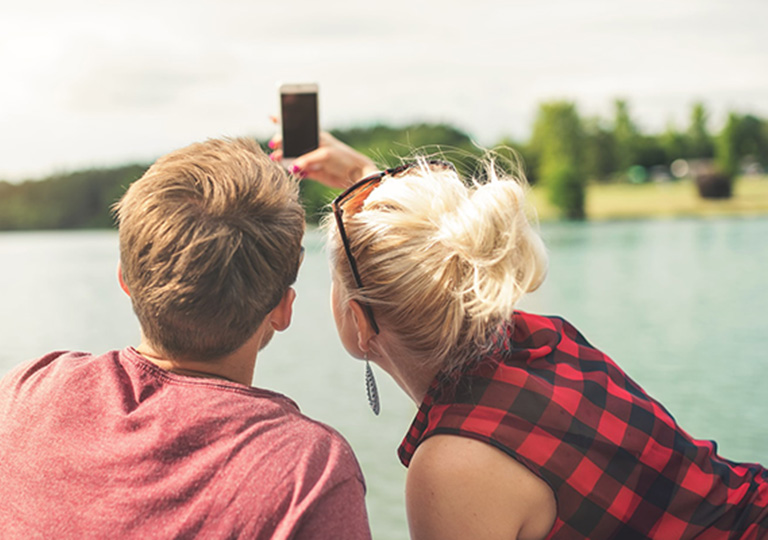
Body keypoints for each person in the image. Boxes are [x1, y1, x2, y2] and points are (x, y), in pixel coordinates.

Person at [270, 135, 768, 539]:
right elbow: (439, 259)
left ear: (360, 321)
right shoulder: (546, 340)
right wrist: (364, 176)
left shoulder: (449, 470)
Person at [0, 138, 372, 539]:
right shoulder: (310, 472)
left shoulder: (25, 390)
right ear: (284, 308)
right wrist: (364, 176)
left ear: (125, 279)